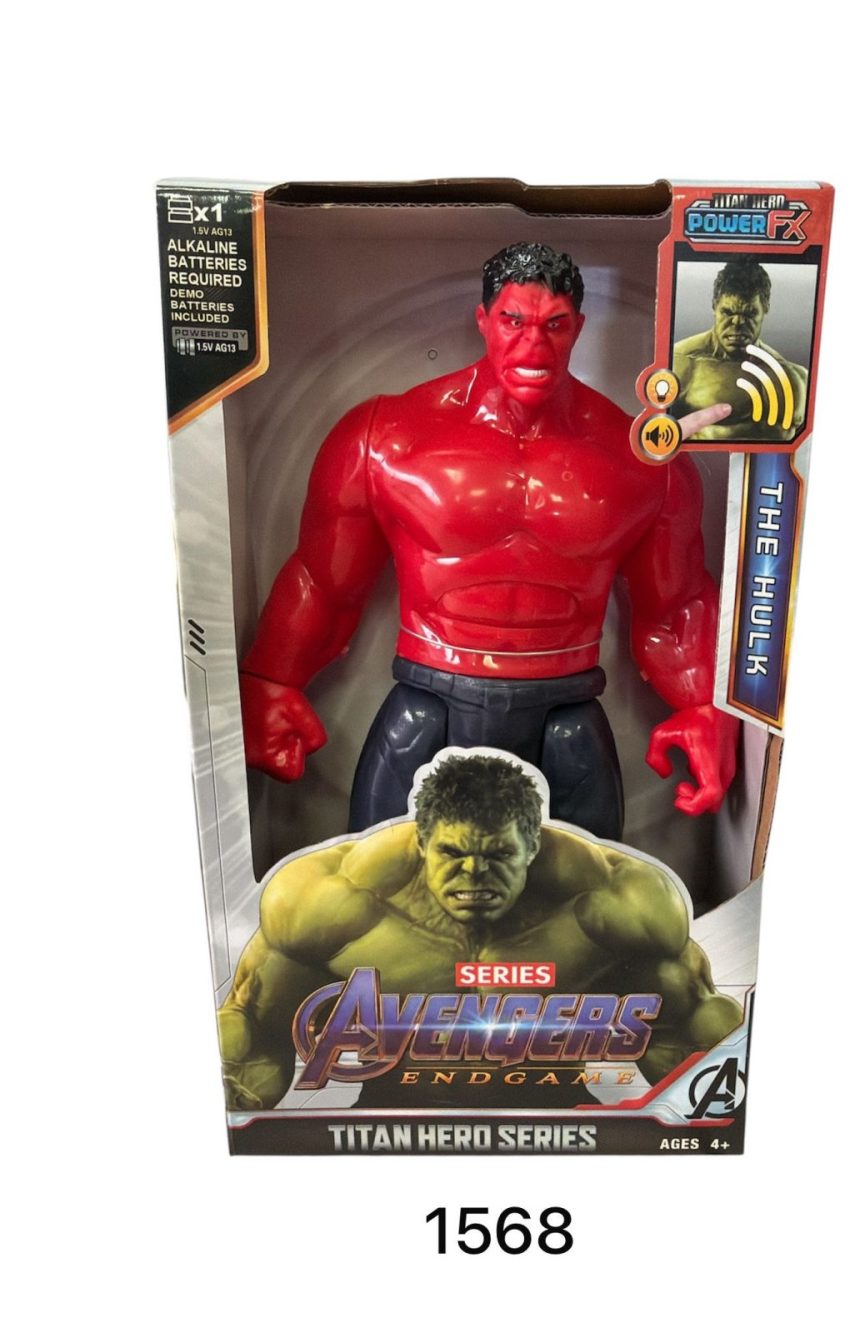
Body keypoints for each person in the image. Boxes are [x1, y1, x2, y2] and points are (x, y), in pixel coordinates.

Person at [240, 242, 738, 840]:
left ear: (579, 326)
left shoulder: (643, 459)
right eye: (514, 321)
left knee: (590, 886)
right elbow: (323, 581)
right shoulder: (386, 436)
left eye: (554, 325)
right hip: (427, 700)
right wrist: (271, 679)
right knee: (375, 874)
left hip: (566, 709)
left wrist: (706, 706)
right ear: (483, 319)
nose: (533, 346)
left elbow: (675, 604)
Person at [218, 753, 743, 1111]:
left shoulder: (614, 905)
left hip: (555, 1115)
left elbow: (703, 1043)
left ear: (533, 846)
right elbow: (248, 1044)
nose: (473, 873)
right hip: (393, 1115)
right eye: (451, 852)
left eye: (499, 855)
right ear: (421, 842)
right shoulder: (326, 903)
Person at [673, 258, 808, 442]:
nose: (737, 323)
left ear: (765, 308)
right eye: (727, 312)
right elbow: (657, 439)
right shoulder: (680, 363)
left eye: (749, 313)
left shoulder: (795, 376)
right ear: (714, 306)